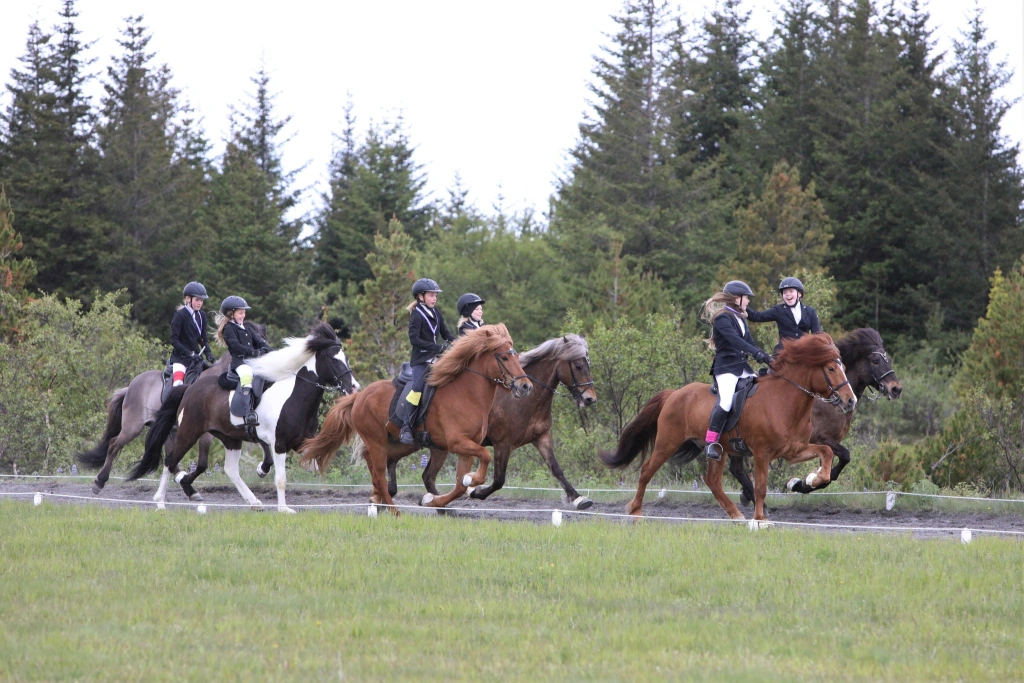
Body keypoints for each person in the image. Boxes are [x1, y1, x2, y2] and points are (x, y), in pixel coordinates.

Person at [701, 280, 773, 460]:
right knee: (726, 402)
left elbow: (750, 343)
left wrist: (768, 358)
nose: (748, 301)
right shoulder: (722, 318)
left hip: (742, 368)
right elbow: (736, 341)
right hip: (726, 369)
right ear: (736, 299)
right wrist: (757, 354)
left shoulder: (740, 319)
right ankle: (711, 442)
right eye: (746, 298)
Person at [397, 278, 456, 445]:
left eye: (435, 295)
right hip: (421, 361)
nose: (434, 298)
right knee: (417, 389)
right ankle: (406, 426)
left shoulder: (436, 313)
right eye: (431, 295)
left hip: (437, 360)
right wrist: (436, 347)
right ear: (420, 296)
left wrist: (458, 344)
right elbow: (414, 340)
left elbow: (446, 334)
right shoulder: (416, 315)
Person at [216, 295, 272, 428]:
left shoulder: (246, 328)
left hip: (252, 362)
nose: (243, 315)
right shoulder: (228, 329)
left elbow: (260, 341)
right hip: (240, 363)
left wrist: (271, 351)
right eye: (240, 313)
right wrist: (253, 352)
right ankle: (249, 412)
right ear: (231, 314)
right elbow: (235, 346)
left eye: (244, 312)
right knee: (247, 375)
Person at [746, 276, 822, 352]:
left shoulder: (810, 311)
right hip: (784, 352)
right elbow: (758, 316)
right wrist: (743, 307)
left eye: (791, 291)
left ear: (799, 294)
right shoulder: (778, 310)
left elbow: (817, 334)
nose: (787, 294)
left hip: (804, 351)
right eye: (785, 292)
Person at [169, 281, 214, 386]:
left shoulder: (202, 316)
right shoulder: (179, 316)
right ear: (188, 299)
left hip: (197, 359)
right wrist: (190, 354)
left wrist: (208, 353)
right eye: (197, 300)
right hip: (181, 359)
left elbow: (203, 338)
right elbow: (174, 340)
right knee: (178, 384)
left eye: (201, 300)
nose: (200, 303)